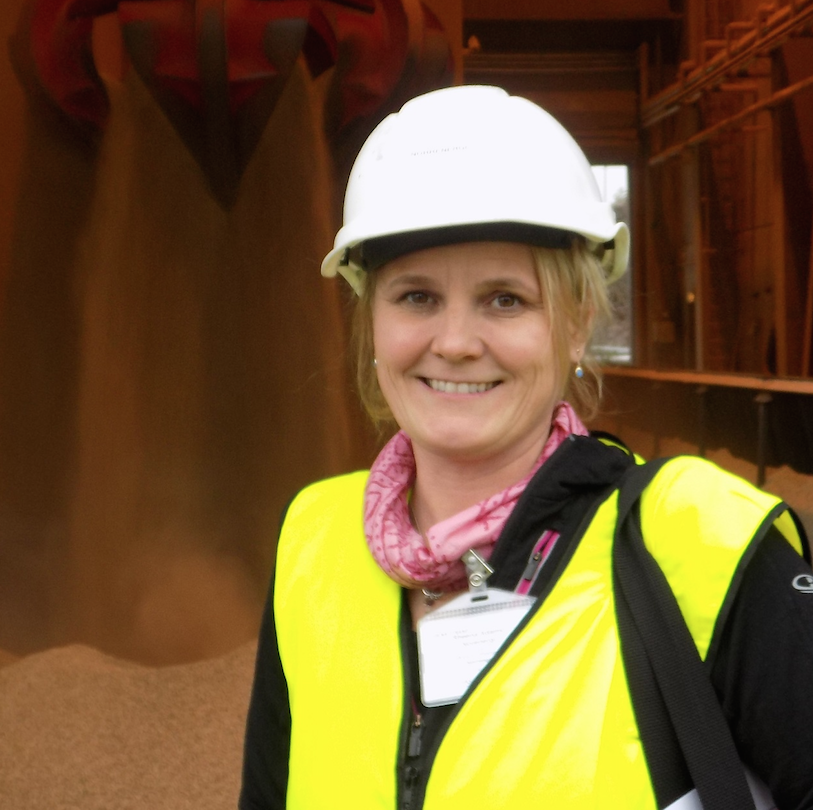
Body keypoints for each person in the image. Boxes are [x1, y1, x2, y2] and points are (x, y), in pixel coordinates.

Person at [239, 86, 813, 810]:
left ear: (575, 326)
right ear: (371, 328)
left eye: (504, 299)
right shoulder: (314, 542)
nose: (453, 342)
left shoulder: (699, 544)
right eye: (415, 296)